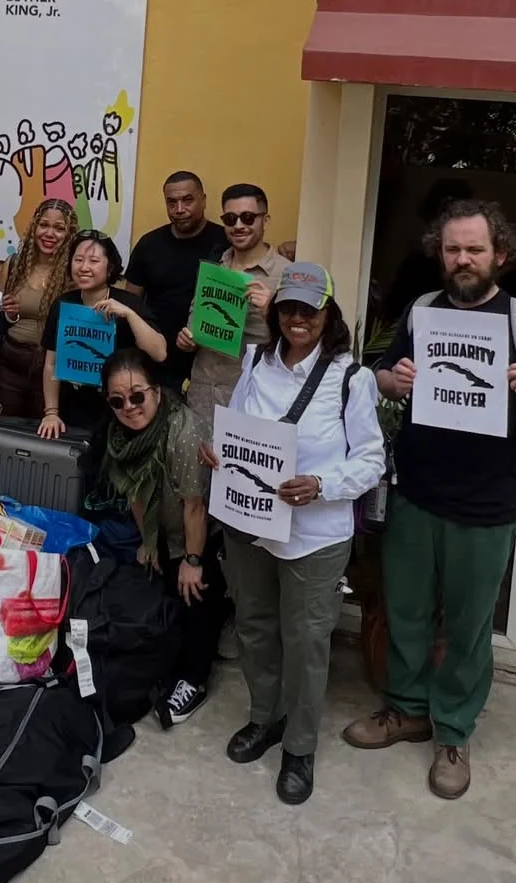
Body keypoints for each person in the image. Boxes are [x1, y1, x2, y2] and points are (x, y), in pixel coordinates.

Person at [343, 199, 516, 800]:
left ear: (499, 254)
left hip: (487, 504)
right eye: (453, 249)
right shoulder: (423, 311)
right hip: (418, 493)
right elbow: (380, 373)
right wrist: (389, 379)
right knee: (406, 609)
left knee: (471, 625)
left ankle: (452, 729)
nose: (462, 259)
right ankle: (405, 708)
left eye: (474, 248)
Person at [203, 263, 385, 805]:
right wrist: (217, 453)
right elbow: (234, 428)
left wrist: (322, 483)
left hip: (315, 533)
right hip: (252, 524)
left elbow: (372, 459)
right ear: (275, 311)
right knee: (256, 625)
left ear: (328, 314)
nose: (297, 318)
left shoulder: (351, 378)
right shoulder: (256, 361)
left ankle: (300, 746)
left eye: (309, 308)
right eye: (288, 307)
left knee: (306, 640)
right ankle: (266, 718)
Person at [98, 348, 221, 727]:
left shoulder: (183, 433)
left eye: (138, 396)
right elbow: (135, 488)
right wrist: (147, 540)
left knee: (196, 597)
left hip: (199, 531)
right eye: (118, 400)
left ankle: (195, 679)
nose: (129, 407)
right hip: (161, 526)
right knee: (167, 595)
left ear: (156, 391)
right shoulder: (122, 433)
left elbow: (195, 507)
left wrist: (193, 560)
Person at [178, 184, 290, 421]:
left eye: (248, 217)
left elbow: (300, 346)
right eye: (230, 219)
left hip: (254, 401)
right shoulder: (214, 268)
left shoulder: (287, 274)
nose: (239, 225)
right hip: (202, 395)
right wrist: (187, 340)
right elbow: (195, 322)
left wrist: (270, 309)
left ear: (265, 220)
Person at [39, 230, 166, 438]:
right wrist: (51, 412)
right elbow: (51, 364)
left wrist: (129, 315)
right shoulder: (63, 304)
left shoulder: (128, 303)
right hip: (73, 408)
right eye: (78, 260)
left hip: (121, 410)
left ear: (110, 268)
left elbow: (160, 353)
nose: (84, 267)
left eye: (94, 261)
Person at [125, 171, 227, 389]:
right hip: (154, 360)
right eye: (172, 202)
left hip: (207, 364)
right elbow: (131, 303)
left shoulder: (226, 242)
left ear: (204, 200)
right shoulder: (149, 244)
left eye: (187, 200)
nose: (179, 209)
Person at [0, 199, 78, 418]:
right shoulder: (13, 266)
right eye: (44, 225)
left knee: (43, 440)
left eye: (59, 228)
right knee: (5, 431)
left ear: (69, 234)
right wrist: (8, 315)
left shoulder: (74, 274)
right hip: (9, 367)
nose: (49, 233)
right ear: (34, 227)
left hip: (52, 372)